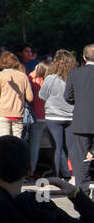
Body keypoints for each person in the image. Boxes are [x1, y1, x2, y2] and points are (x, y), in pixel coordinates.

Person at [36, 50, 76, 179]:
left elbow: (42, 95)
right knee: (71, 148)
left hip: (53, 116)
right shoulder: (74, 77)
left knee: (57, 147)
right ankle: (74, 175)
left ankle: (57, 176)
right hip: (71, 116)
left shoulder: (51, 78)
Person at [65, 44, 94, 195]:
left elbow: (68, 96)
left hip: (82, 120)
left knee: (81, 155)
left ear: (84, 57)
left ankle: (83, 187)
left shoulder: (75, 73)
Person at [0, 51, 33, 140]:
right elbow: (30, 97)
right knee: (17, 143)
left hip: (2, 114)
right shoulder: (23, 76)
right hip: (18, 114)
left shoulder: (0, 75)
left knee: (4, 142)